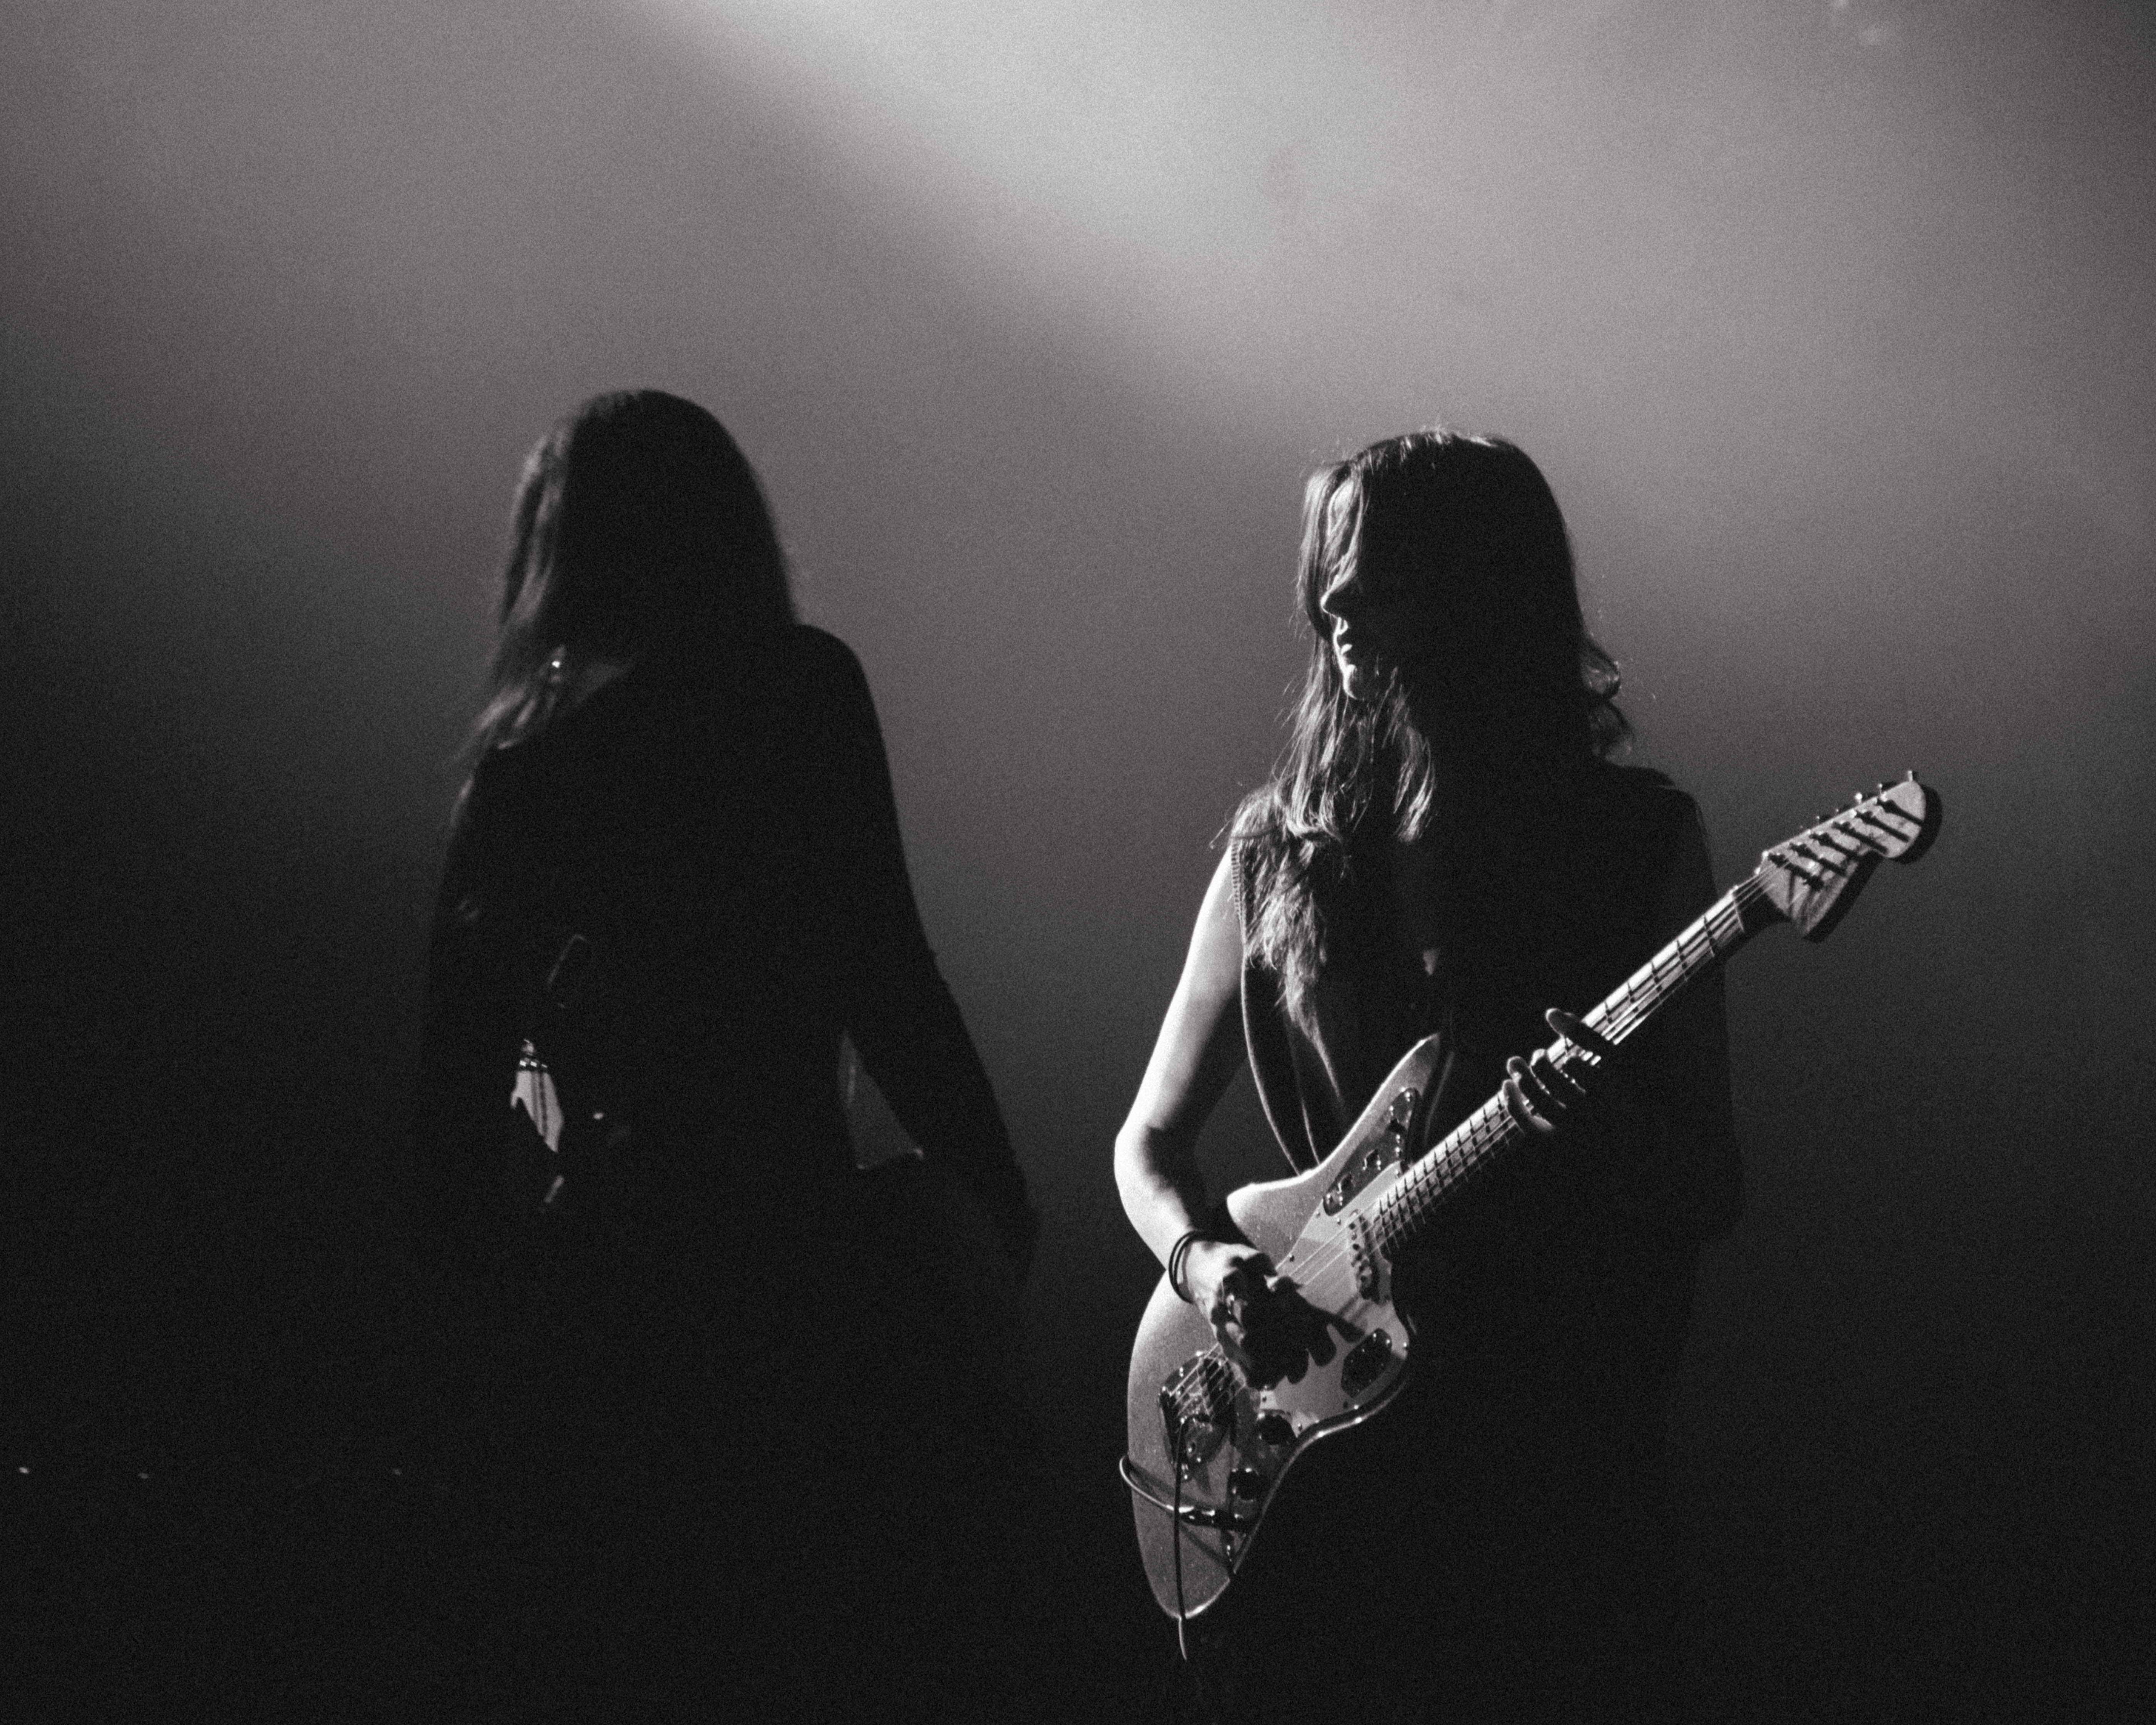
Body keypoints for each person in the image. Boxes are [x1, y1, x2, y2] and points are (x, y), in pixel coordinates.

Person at [407, 389, 1038, 1718]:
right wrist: (991, 1193)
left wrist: (478, 1360)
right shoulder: (802, 690)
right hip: (800, 1253)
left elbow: (449, 1119)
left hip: (616, 1290)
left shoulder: (527, 779)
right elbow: (890, 972)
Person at [1114, 430, 1740, 1723]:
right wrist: (1209, 1267)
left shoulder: (1635, 846)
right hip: (1326, 1470)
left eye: (1376, 571)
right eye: (1328, 572)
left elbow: (1711, 1183)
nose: (1335, 602)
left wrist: (1605, 1127)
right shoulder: (1277, 855)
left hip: (1553, 1458)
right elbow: (1148, 1146)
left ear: (1480, 593)